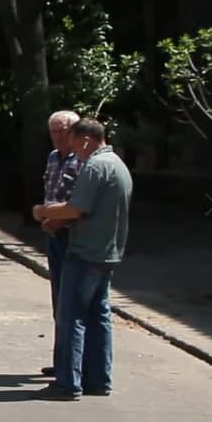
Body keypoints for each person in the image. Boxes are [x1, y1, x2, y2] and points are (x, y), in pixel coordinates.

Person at [31, 118, 132, 401]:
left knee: (70, 315)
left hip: (86, 251)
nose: (72, 149)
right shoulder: (117, 164)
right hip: (107, 252)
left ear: (86, 140)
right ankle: (98, 380)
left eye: (74, 142)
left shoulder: (96, 166)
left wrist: (44, 211)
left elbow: (76, 209)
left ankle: (67, 383)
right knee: (98, 315)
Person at [39, 110, 82, 378]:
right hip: (52, 234)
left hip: (71, 235)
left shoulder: (83, 160)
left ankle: (74, 364)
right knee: (58, 299)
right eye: (53, 131)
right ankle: (62, 361)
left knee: (72, 300)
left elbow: (81, 202)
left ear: (74, 132)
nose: (57, 137)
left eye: (62, 131)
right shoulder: (54, 158)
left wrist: (59, 221)